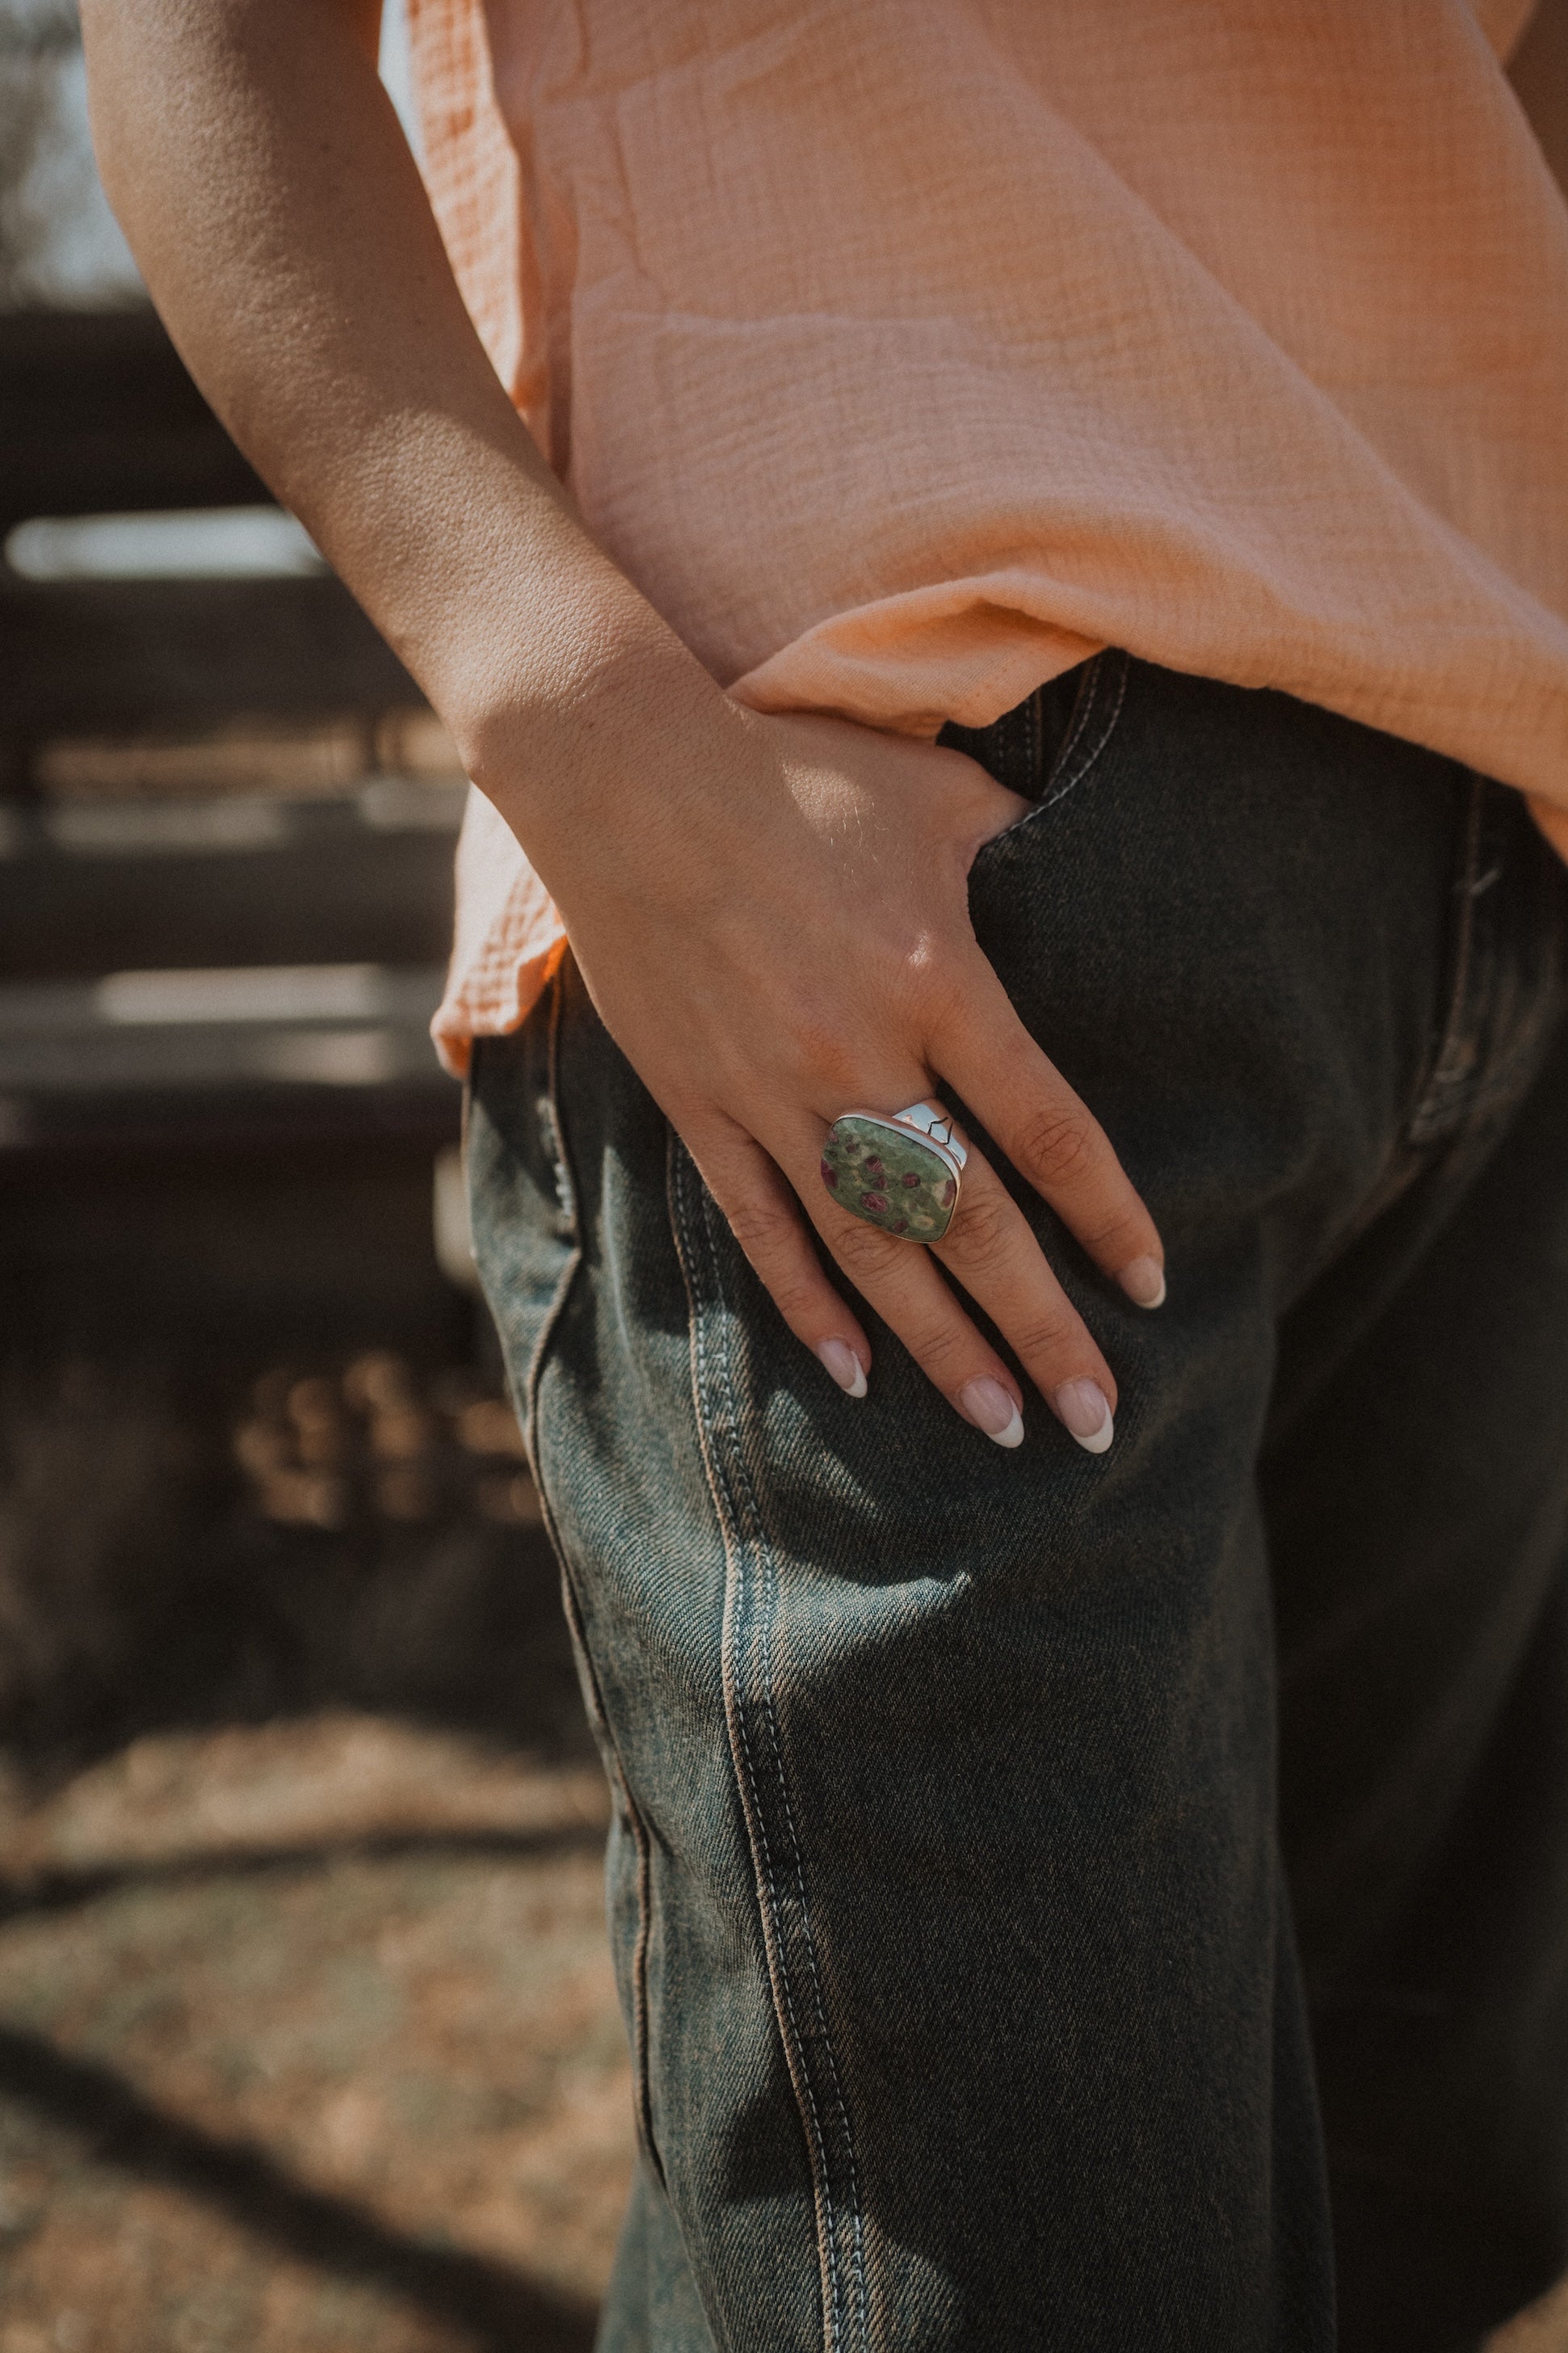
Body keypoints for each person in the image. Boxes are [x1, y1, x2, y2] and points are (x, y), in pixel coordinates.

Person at [82, 3, 1568, 2345]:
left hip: (1483, 848)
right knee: (1003, 2274)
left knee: (1399, 2201)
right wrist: (592, 732)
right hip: (924, 917)